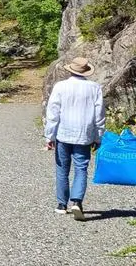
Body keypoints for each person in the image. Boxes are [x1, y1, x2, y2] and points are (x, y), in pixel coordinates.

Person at [44, 56, 105, 220]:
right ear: (86, 72)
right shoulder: (95, 88)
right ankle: (77, 202)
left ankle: (61, 205)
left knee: (62, 169)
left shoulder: (61, 86)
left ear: (70, 70)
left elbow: (53, 113)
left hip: (63, 134)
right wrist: (98, 137)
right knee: (81, 169)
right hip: (84, 135)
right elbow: (99, 115)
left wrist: (49, 135)